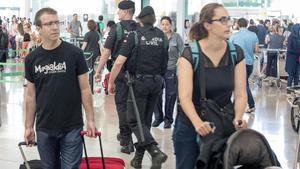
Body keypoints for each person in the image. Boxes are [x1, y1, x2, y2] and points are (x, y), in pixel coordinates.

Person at [172, 3, 247, 169]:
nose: (229, 24)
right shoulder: (190, 55)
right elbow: (184, 97)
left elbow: (241, 94)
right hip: (190, 126)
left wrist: (238, 117)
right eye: (222, 20)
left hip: (221, 125)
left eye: (229, 19)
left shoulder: (236, 53)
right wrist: (198, 123)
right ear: (207, 25)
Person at [24, 7, 96, 169]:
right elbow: (31, 95)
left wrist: (91, 120)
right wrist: (28, 126)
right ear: (39, 28)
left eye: (57, 22)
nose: (55, 27)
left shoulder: (75, 53)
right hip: (44, 128)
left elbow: (85, 89)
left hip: (71, 126)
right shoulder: (31, 59)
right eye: (49, 24)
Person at [108, 6, 169, 169]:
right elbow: (165, 62)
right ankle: (138, 159)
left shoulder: (135, 36)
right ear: (154, 20)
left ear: (140, 21)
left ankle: (155, 151)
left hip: (139, 83)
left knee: (133, 119)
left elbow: (119, 61)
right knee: (145, 121)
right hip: (157, 82)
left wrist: (111, 81)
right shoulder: (162, 37)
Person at [93, 0, 136, 154]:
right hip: (139, 76)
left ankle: (126, 140)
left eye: (119, 10)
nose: (117, 13)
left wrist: (98, 71)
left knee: (122, 106)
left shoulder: (117, 28)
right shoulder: (139, 28)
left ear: (126, 11)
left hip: (121, 73)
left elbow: (106, 52)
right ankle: (135, 138)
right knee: (135, 107)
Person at [153, 16, 184, 128]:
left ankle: (168, 119)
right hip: (158, 70)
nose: (165, 26)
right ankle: (158, 117)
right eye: (163, 24)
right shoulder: (157, 37)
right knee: (156, 93)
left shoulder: (177, 37)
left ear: (171, 25)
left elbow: (183, 53)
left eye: (167, 24)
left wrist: (179, 64)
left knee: (171, 95)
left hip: (171, 69)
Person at [230, 18, 259, 113]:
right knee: (243, 83)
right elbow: (256, 50)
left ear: (238, 25)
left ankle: (251, 105)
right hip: (250, 63)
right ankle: (239, 105)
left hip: (238, 63)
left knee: (243, 84)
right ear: (247, 25)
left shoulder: (234, 36)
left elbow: (229, 50)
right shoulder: (253, 35)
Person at [286, 24, 300, 88]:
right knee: (291, 75)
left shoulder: (298, 37)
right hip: (291, 59)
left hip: (298, 59)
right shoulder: (291, 37)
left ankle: (295, 90)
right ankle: (289, 91)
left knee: (297, 75)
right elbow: (289, 50)